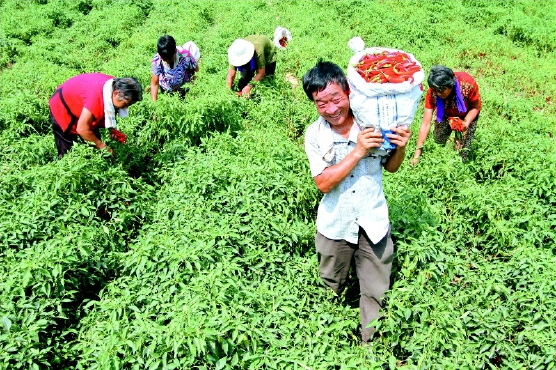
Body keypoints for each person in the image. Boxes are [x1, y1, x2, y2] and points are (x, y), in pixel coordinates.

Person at [302, 61, 411, 344]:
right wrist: (359, 150)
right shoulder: (315, 134)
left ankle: (368, 348)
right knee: (331, 284)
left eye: (336, 99)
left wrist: (401, 146)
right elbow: (323, 183)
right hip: (335, 223)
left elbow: (392, 167)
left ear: (349, 91)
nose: (331, 109)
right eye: (321, 103)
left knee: (376, 290)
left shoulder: (373, 123)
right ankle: (327, 340)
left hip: (373, 220)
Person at [49, 73, 142, 159]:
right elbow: (82, 129)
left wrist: (111, 129)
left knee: (93, 145)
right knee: (68, 153)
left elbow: (108, 108)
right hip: (62, 107)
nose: (126, 107)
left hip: (80, 103)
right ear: (116, 93)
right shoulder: (95, 99)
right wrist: (103, 147)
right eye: (126, 104)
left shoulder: (112, 85)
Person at [410, 65, 482, 165]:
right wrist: (417, 155)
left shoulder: (467, 84)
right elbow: (425, 123)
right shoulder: (433, 92)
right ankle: (440, 159)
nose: (437, 93)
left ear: (451, 85)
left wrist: (465, 123)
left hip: (467, 115)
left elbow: (475, 107)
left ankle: (457, 167)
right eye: (434, 90)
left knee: (462, 151)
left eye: (441, 90)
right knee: (438, 139)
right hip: (444, 113)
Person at [150, 35, 199, 101]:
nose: (167, 61)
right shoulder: (157, 60)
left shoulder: (185, 55)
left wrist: (193, 87)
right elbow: (154, 84)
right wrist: (154, 103)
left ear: (175, 52)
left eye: (169, 59)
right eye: (164, 59)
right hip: (166, 88)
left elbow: (196, 70)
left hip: (183, 86)